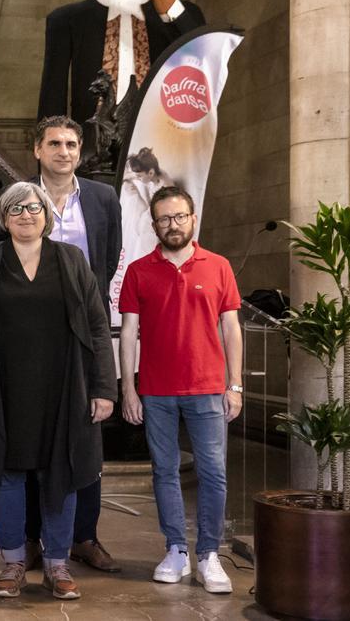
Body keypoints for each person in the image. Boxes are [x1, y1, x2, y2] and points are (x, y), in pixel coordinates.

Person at [0, 182, 117, 600]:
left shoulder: (71, 259)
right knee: (7, 475)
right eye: (16, 208)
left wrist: (103, 388)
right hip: (0, 390)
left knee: (62, 474)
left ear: (47, 215)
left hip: (63, 390)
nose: (26, 214)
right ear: (4, 218)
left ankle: (58, 565)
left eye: (34, 207)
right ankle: (13, 562)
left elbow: (97, 327)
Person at [118, 186, 242, 594]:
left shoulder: (219, 266)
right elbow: (130, 334)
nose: (173, 225)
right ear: (154, 225)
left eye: (180, 217)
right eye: (164, 219)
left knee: (213, 473)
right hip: (156, 390)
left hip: (208, 389)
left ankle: (208, 554)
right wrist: (129, 390)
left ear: (193, 218)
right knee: (164, 472)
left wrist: (235, 385)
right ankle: (175, 549)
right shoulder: (138, 271)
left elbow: (231, 330)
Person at [24, 115, 124, 574]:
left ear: (79, 151)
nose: (63, 151)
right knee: (31, 436)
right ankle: (29, 539)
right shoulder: (20, 198)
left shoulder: (103, 198)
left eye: (71, 144)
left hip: (85, 333)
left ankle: (84, 536)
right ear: (37, 151)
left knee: (87, 437)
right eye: (54, 144)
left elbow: (105, 262)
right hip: (29, 336)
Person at [36, 0, 204, 154]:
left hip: (165, 158)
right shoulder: (66, 20)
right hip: (90, 163)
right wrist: (48, 178)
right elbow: (52, 104)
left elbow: (207, 72)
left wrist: (172, 9)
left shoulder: (180, 16)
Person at [119, 147, 174, 262]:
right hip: (152, 210)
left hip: (158, 219)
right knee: (130, 187)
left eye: (140, 176)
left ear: (150, 173)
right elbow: (134, 175)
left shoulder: (164, 188)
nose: (138, 178)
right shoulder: (153, 173)